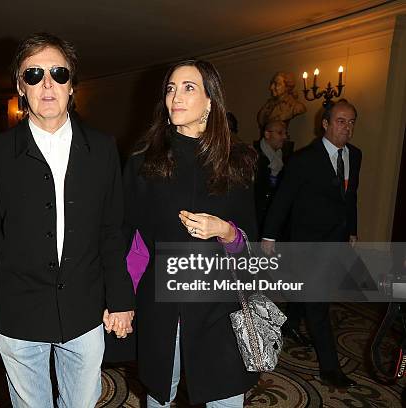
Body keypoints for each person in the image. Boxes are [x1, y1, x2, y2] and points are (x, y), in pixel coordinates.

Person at [0, 32, 135, 408]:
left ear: (72, 84)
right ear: (20, 88)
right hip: (19, 313)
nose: (48, 84)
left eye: (58, 73)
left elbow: (112, 232)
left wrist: (121, 299)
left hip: (85, 310)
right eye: (34, 74)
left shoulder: (103, 149)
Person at [122, 59, 259, 407]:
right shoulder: (144, 162)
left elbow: (250, 245)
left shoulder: (237, 161)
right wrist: (120, 301)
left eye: (188, 88)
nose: (176, 97)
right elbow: (131, 241)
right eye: (171, 88)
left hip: (220, 306)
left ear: (211, 101)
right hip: (162, 304)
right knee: (159, 394)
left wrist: (226, 231)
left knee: (226, 395)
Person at [261, 99, 361, 388]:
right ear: (326, 124)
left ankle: (288, 321)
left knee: (308, 294)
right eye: (341, 121)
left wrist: (352, 230)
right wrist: (269, 236)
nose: (347, 127)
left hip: (336, 241)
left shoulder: (356, 155)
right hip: (307, 242)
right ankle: (330, 368)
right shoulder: (304, 159)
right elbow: (283, 199)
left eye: (352, 121)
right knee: (318, 305)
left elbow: (350, 196)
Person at [253, 120, 292, 230]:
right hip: (258, 217)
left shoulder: (285, 159)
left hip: (274, 217)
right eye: (280, 133)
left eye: (285, 133)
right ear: (267, 134)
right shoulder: (254, 158)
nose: (284, 137)